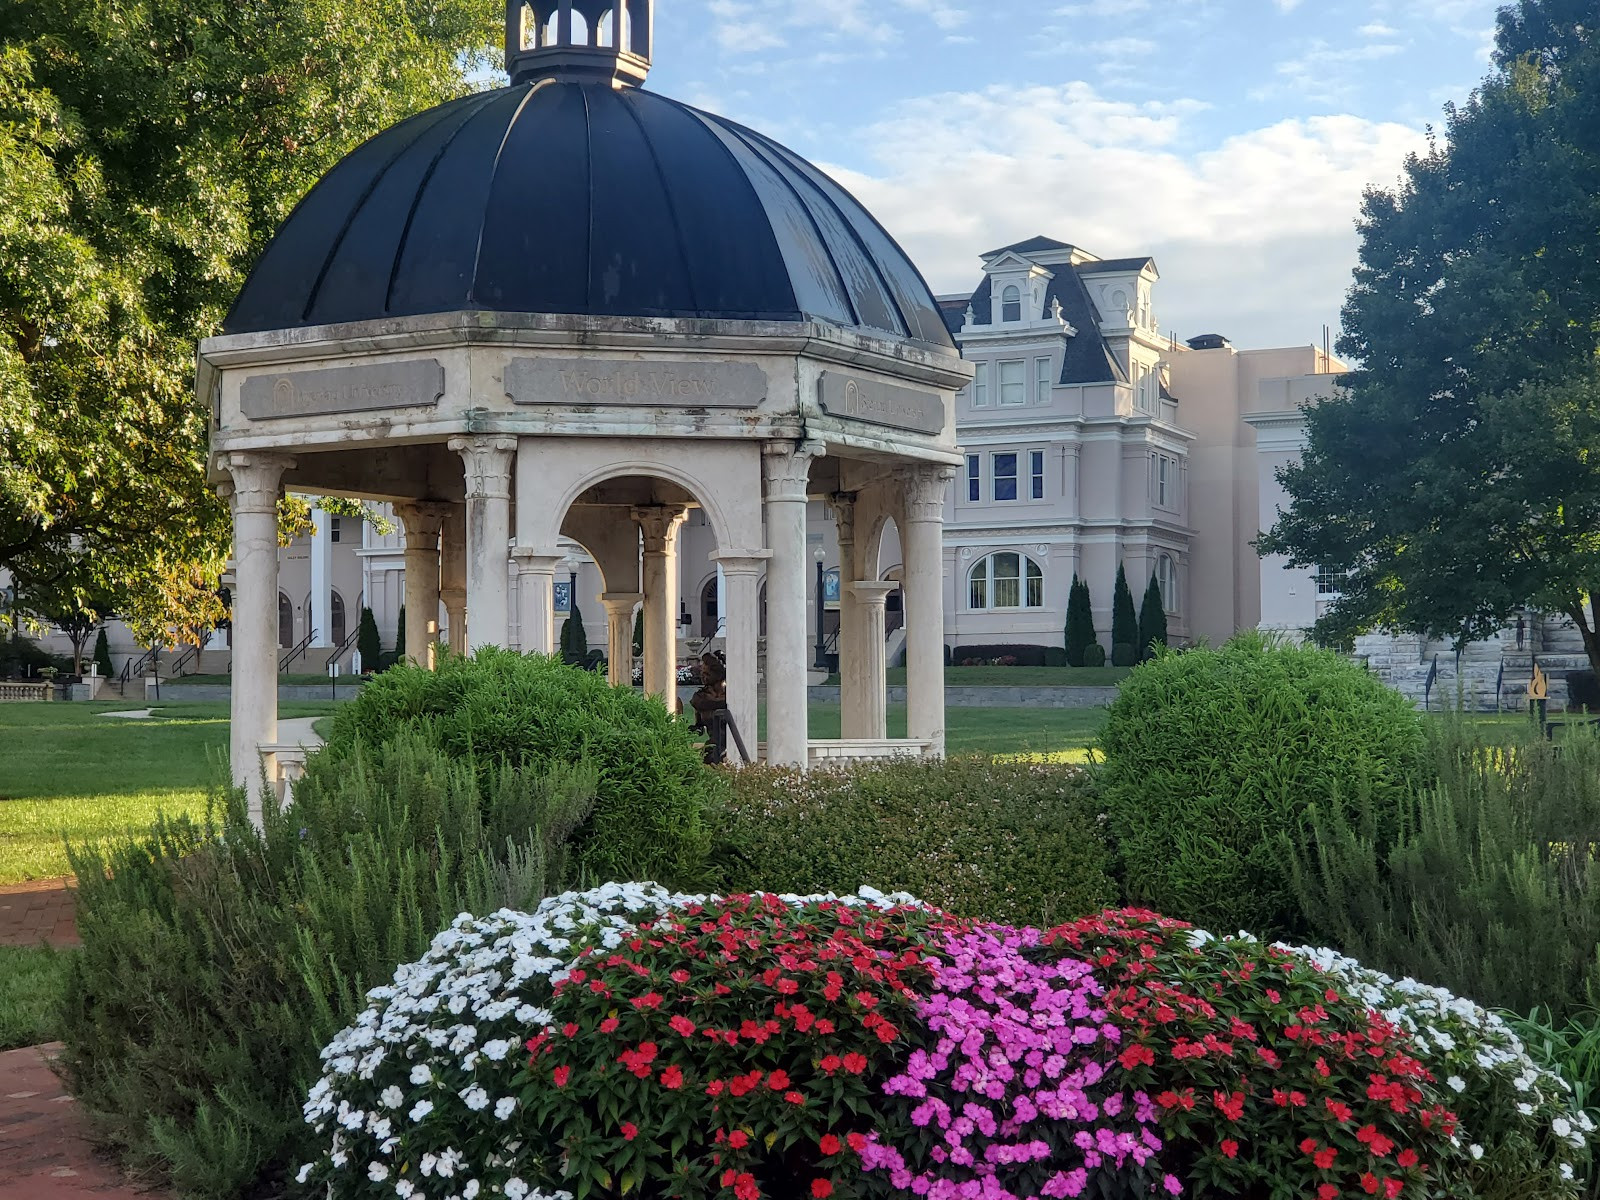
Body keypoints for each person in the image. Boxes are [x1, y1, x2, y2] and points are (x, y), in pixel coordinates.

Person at [688, 652, 731, 764]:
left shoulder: (733, 697)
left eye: (707, 674)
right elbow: (699, 727)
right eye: (703, 673)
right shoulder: (701, 698)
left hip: (733, 747)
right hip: (712, 750)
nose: (703, 677)